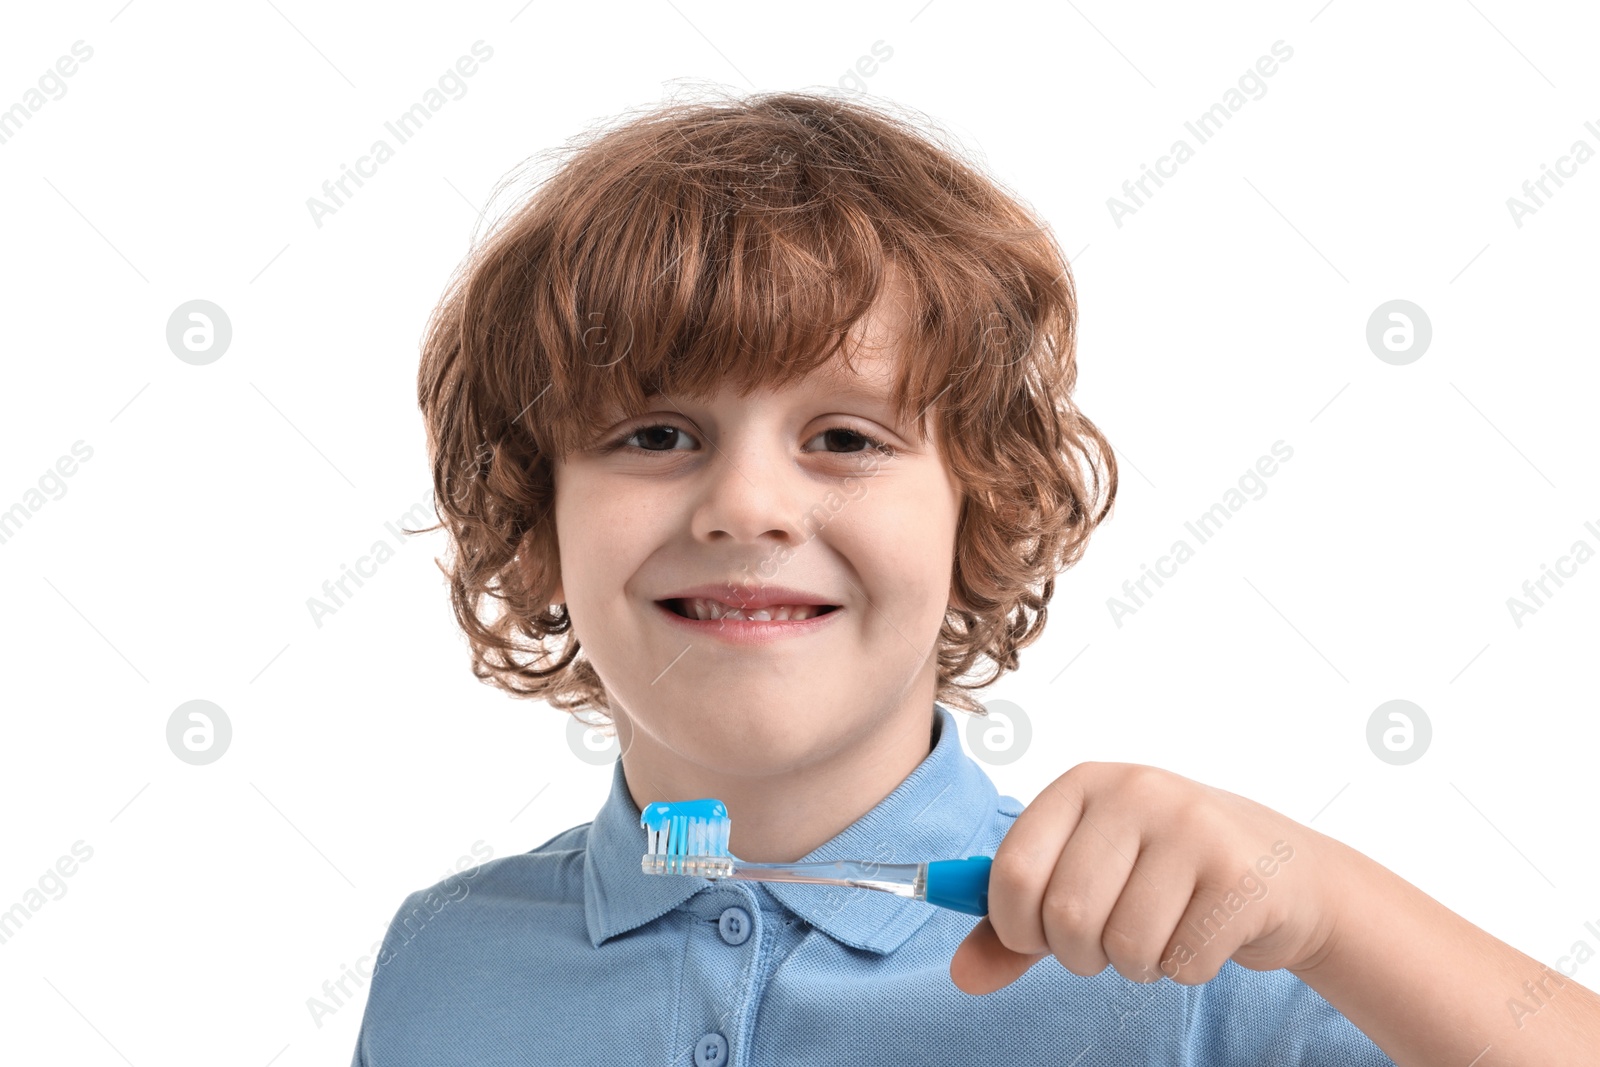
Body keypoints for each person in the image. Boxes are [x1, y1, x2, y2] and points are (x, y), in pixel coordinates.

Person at [350, 88, 1599, 1065]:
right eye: (653, 434)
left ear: (981, 512)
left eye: (845, 437)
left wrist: (1328, 908)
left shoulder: (1181, 954)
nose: (744, 506)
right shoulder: (445, 960)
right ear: (536, 519)